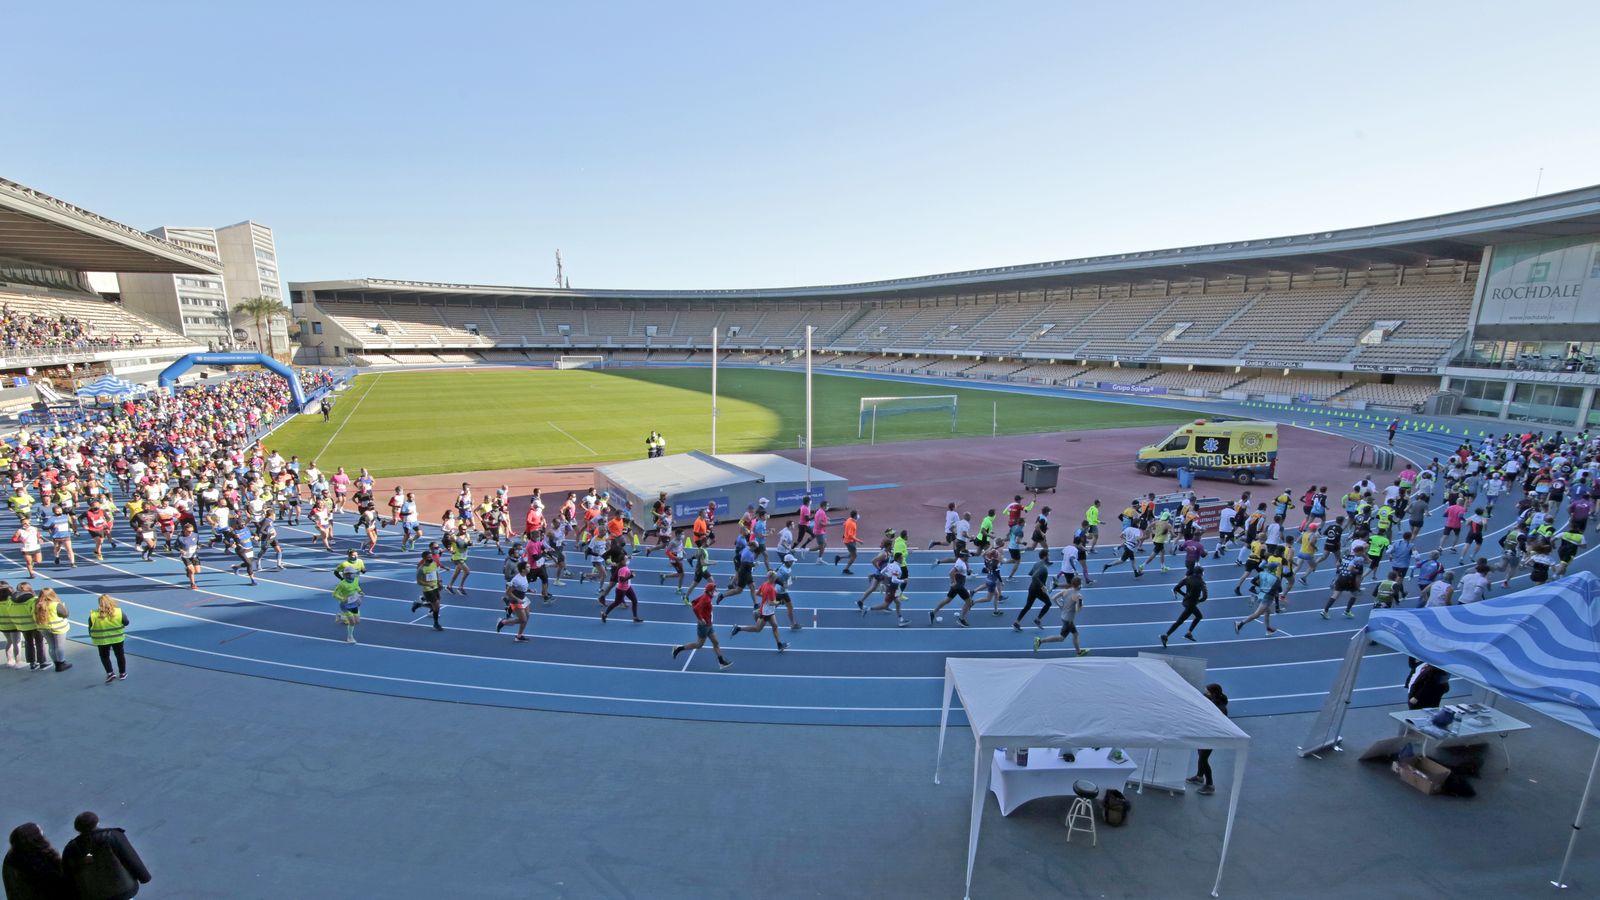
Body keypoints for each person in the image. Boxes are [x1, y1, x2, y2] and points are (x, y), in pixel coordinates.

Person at [62, 811, 151, 900]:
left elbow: (69, 876)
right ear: (97, 822)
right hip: (123, 891)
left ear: (78, 829)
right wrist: (144, 877)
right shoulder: (112, 836)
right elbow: (131, 859)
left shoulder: (70, 849)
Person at [671, 578, 733, 669]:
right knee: (699, 645)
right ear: (709, 591)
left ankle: (721, 662)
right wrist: (700, 619)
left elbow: (693, 602)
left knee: (716, 642)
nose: (715, 591)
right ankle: (678, 648)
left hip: (709, 625)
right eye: (713, 590)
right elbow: (695, 608)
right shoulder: (706, 599)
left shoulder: (706, 596)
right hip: (704, 626)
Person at [4, 822, 69, 900]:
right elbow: (54, 881)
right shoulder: (27, 861)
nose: (43, 836)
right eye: (40, 834)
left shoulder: (14, 857)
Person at [729, 570, 788, 650]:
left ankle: (779, 644)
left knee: (775, 625)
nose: (776, 578)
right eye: (775, 577)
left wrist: (765, 598)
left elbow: (757, 593)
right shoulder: (771, 589)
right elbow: (771, 603)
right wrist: (780, 602)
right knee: (757, 629)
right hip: (766, 612)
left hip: (769, 610)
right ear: (771, 578)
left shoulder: (765, 584)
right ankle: (738, 628)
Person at [1187, 684, 1229, 796]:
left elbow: (1218, 724)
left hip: (1212, 737)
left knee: (1203, 759)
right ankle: (1200, 776)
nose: (1205, 693)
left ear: (1213, 694)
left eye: (1207, 692)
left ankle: (1210, 785)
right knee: (1200, 754)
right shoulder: (1213, 701)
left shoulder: (1220, 708)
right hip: (1205, 734)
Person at [1034, 574, 1088, 656]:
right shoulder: (1078, 595)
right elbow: (1077, 610)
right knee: (1061, 638)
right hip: (1068, 620)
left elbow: (1053, 598)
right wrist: (1081, 603)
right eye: (1081, 583)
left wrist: (1060, 605)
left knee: (1075, 634)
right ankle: (1040, 641)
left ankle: (1079, 652)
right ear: (1079, 585)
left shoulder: (1065, 591)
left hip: (1064, 616)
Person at [1161, 565, 1207, 646]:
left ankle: (1188, 633)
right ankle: (1166, 635)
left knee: (1198, 616)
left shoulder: (1188, 578)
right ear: (1200, 574)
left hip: (1186, 601)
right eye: (1202, 572)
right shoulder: (1201, 582)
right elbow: (1205, 596)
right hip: (1192, 604)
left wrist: (1185, 595)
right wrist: (1199, 601)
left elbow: (1176, 588)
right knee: (1181, 621)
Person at [89, 594, 129, 683]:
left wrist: (92, 635)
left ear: (100, 603)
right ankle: (122, 673)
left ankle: (110, 673)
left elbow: (90, 627)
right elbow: (126, 622)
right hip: (117, 638)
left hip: (102, 640)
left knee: (104, 656)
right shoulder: (118, 612)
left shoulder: (93, 614)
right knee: (119, 655)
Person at [1012, 549, 1054, 632]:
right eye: (1048, 555)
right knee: (1048, 603)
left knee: (1028, 606)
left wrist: (1040, 580)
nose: (1049, 557)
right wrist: (1043, 586)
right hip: (1038, 590)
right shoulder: (1043, 568)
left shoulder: (1036, 564)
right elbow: (1034, 576)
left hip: (1032, 588)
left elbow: (1030, 573)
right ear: (1045, 556)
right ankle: (1038, 619)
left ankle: (1016, 622)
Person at [34, 587, 71, 672]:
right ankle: (61, 663)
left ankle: (56, 663)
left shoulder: (36, 604)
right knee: (59, 646)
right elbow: (65, 614)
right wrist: (64, 607)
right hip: (58, 628)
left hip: (43, 627)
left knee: (51, 645)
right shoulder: (55, 604)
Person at [411, 549, 445, 631]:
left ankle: (419, 604)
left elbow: (436, 573)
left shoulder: (433, 564)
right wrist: (428, 584)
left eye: (431, 557)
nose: (431, 558)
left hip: (435, 587)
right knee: (437, 607)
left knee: (436, 606)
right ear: (424, 558)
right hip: (428, 589)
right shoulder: (421, 569)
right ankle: (436, 624)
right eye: (429, 557)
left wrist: (439, 582)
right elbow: (419, 582)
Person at [497, 561, 532, 641]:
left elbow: (522, 587)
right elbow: (508, 592)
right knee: (523, 620)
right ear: (523, 570)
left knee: (527, 616)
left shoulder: (524, 575)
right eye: (527, 567)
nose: (529, 567)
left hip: (523, 598)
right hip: (516, 600)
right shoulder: (517, 580)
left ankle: (519, 636)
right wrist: (518, 600)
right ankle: (503, 622)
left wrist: (530, 590)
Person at [333, 570, 363, 644]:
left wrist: (360, 592)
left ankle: (341, 617)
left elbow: (357, 587)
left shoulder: (356, 579)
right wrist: (342, 599)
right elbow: (334, 594)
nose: (351, 576)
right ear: (345, 575)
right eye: (349, 574)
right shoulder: (342, 584)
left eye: (352, 574)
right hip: (345, 605)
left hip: (354, 603)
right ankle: (350, 637)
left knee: (357, 621)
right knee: (352, 622)